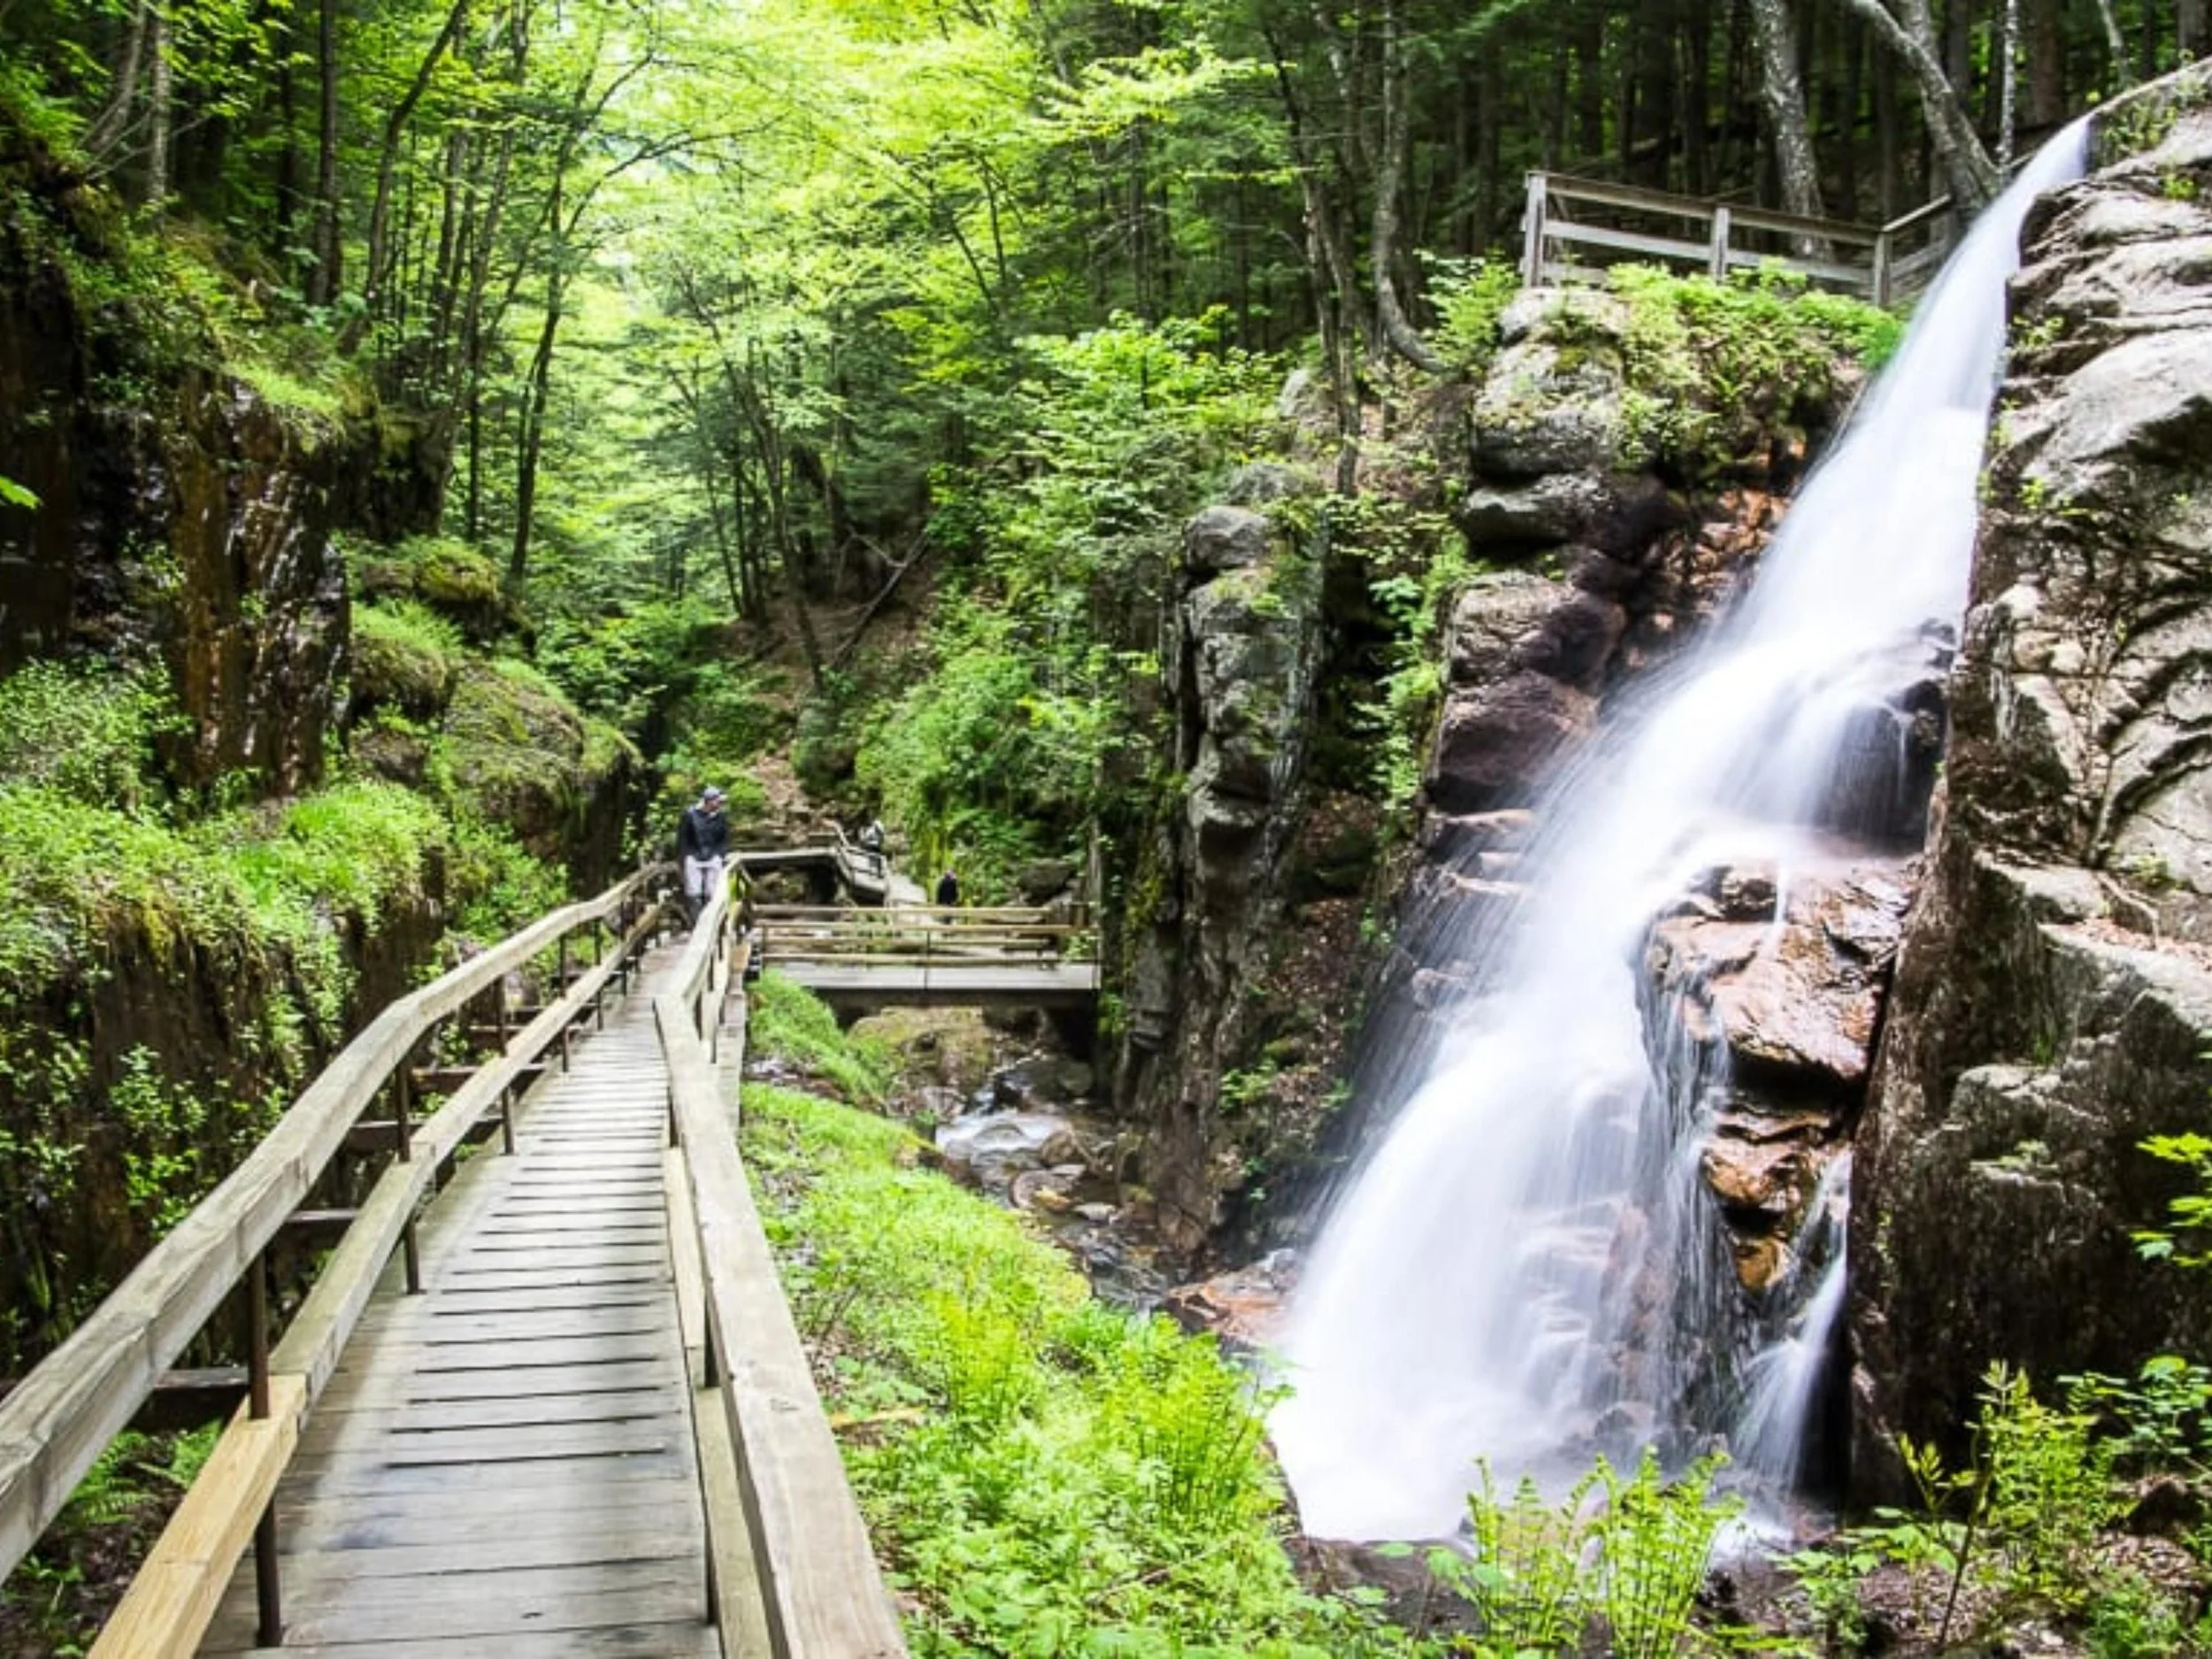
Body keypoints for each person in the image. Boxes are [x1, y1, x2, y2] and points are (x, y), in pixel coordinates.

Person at [678, 786, 731, 923]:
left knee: (712, 893)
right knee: (693, 893)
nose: (720, 804)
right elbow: (683, 838)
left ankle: (711, 922)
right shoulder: (689, 815)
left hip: (713, 856)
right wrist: (685, 857)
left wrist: (720, 854)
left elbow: (724, 838)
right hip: (693, 856)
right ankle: (697, 923)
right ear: (709, 801)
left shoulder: (721, 816)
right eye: (718, 801)